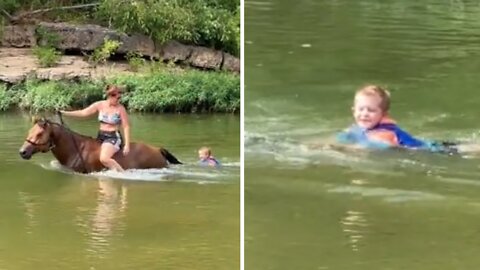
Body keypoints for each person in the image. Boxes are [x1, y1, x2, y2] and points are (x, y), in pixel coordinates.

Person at [336, 85, 458, 154]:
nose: (364, 114)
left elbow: (372, 147)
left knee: (462, 150)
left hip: (427, 149)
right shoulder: (359, 127)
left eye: (371, 110)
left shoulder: (383, 134)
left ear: (383, 114)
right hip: (425, 143)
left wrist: (347, 149)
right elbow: (343, 136)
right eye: (360, 109)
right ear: (353, 111)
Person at [59, 85, 130, 171]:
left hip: (113, 137)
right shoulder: (99, 105)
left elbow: (126, 126)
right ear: (109, 96)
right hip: (101, 135)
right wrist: (65, 113)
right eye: (116, 97)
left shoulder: (120, 109)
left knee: (104, 158)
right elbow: (83, 113)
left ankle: (122, 173)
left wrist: (127, 145)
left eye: (119, 97)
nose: (118, 100)